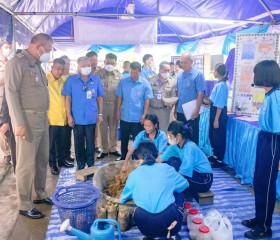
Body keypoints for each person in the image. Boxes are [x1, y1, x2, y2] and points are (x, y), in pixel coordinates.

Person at [5, 33, 54, 219]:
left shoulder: (38, 65)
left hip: (42, 118)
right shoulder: (17, 63)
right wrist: (18, 123)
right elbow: (11, 94)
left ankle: (40, 193)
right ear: (38, 47)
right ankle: (24, 204)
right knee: (25, 164)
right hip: (27, 121)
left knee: (42, 159)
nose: (48, 54)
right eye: (47, 50)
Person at [242, 60, 280, 240]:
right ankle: (259, 218)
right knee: (259, 180)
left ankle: (265, 227)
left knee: (265, 183)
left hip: (274, 140)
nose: (254, 76)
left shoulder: (277, 96)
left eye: (256, 73)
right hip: (266, 138)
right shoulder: (270, 94)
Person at [120, 141, 188, 240]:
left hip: (145, 225)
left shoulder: (133, 174)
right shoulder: (167, 169)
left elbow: (123, 198)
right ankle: (172, 234)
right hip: (169, 221)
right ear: (156, 155)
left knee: (138, 206)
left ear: (139, 159)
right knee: (178, 193)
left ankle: (150, 236)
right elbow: (184, 184)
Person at [62, 56, 104, 170]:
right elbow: (68, 98)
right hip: (77, 118)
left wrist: (100, 114)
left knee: (91, 143)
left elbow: (100, 98)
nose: (86, 68)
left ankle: (90, 165)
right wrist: (69, 116)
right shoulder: (71, 80)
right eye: (84, 66)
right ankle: (80, 165)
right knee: (78, 143)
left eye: (88, 66)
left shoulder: (96, 79)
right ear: (78, 66)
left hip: (91, 117)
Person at [157, 121, 213, 198]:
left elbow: (183, 174)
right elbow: (160, 159)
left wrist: (165, 184)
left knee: (174, 172)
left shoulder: (189, 148)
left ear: (178, 136)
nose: (168, 138)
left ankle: (178, 194)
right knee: (172, 160)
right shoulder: (175, 146)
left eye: (170, 136)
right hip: (193, 173)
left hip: (204, 180)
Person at [115, 61, 153, 161]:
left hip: (137, 117)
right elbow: (119, 97)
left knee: (137, 139)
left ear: (140, 71)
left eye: (135, 73)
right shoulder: (123, 82)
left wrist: (144, 114)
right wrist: (118, 111)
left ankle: (136, 157)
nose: (133, 75)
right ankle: (123, 156)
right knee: (124, 138)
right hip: (125, 116)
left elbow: (147, 100)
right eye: (131, 72)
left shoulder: (145, 83)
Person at [47, 58, 74, 175]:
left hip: (63, 118)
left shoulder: (65, 80)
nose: (60, 72)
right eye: (57, 69)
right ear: (52, 67)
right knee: (51, 145)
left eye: (62, 69)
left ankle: (61, 161)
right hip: (51, 119)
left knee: (62, 143)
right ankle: (52, 164)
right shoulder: (45, 79)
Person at [175, 52, 206, 145]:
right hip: (180, 110)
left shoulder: (198, 74)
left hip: (192, 111)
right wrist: (176, 108)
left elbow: (200, 94)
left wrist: (197, 110)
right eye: (181, 62)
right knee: (180, 134)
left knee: (192, 134)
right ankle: (182, 154)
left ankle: (193, 156)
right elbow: (178, 93)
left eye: (185, 62)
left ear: (191, 62)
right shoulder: (179, 75)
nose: (183, 65)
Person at [96, 53, 121, 159]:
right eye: (107, 62)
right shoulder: (98, 74)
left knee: (114, 127)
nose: (109, 64)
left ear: (115, 63)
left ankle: (113, 148)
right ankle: (104, 149)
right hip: (101, 106)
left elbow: (121, 92)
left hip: (114, 105)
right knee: (102, 128)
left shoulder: (118, 75)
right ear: (104, 62)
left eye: (112, 63)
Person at [208, 64, 229, 168]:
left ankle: (219, 159)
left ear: (217, 72)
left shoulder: (222, 85)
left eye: (214, 71)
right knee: (213, 135)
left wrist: (216, 119)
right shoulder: (219, 84)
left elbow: (219, 105)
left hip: (218, 113)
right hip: (214, 111)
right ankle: (216, 155)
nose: (213, 73)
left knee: (218, 136)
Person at [0, 39, 16, 170]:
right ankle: (6, 153)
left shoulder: (13, 62)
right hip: (1, 100)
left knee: (10, 131)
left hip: (9, 102)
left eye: (10, 47)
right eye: (6, 47)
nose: (8, 49)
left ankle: (12, 153)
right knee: (2, 129)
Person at [149, 61, 177, 133]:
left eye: (168, 70)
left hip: (164, 111)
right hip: (152, 110)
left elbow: (173, 96)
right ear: (160, 70)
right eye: (165, 70)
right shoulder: (151, 79)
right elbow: (146, 95)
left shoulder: (172, 81)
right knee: (151, 131)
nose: (167, 72)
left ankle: (162, 144)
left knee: (163, 132)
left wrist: (169, 103)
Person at [86, 51, 102, 153]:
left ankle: (95, 145)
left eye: (95, 59)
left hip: (97, 103)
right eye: (92, 60)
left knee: (96, 126)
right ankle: (86, 145)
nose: (94, 62)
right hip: (86, 104)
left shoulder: (101, 72)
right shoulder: (83, 72)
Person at [60, 55, 75, 163]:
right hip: (57, 114)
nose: (67, 66)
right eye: (65, 63)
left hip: (69, 113)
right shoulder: (55, 77)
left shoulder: (72, 78)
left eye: (68, 63)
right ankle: (58, 159)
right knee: (58, 139)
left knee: (67, 136)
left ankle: (67, 155)